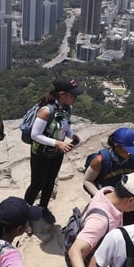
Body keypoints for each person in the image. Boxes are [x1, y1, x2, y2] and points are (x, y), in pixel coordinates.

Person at [24, 76, 83, 225]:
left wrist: (72, 135)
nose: (75, 98)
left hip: (56, 153)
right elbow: (35, 135)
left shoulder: (67, 108)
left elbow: (65, 125)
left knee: (50, 181)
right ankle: (25, 214)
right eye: (73, 95)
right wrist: (57, 143)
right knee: (37, 184)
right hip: (40, 153)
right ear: (62, 94)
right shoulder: (46, 111)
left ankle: (43, 207)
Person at [82, 128, 134, 225]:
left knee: (127, 228)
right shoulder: (100, 160)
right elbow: (87, 181)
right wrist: (102, 198)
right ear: (117, 146)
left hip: (127, 201)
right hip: (106, 201)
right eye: (129, 150)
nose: (131, 153)